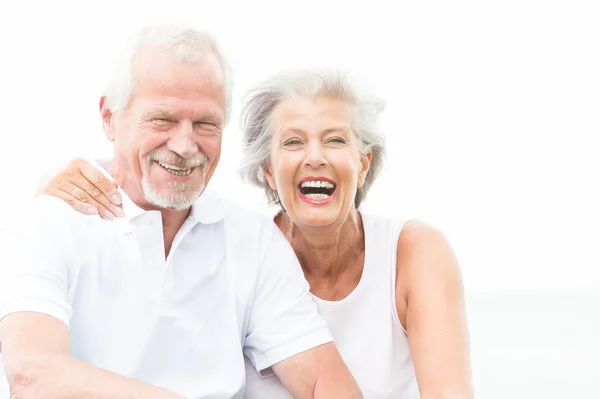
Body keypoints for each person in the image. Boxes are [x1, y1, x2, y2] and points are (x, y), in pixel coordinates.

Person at [41, 67, 474, 398]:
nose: (315, 157)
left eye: (336, 141)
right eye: (292, 142)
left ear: (363, 165)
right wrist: (50, 192)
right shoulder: (240, 253)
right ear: (267, 170)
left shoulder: (415, 251)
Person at [0, 26, 364, 399]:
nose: (185, 145)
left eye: (206, 123)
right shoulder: (48, 224)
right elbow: (34, 376)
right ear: (110, 117)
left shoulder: (251, 239)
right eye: (164, 119)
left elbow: (322, 379)